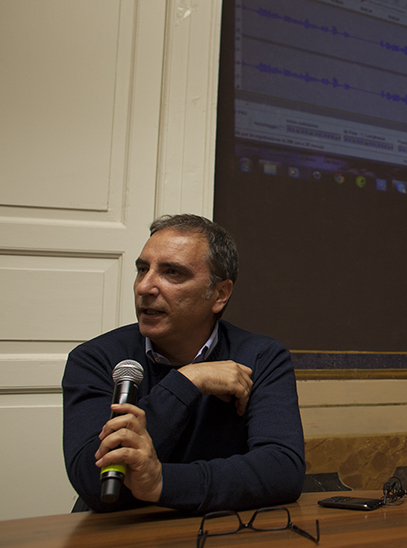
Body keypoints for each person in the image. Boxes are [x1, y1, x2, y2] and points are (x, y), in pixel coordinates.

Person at [62, 214, 305, 513]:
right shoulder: (95, 359)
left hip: (214, 533)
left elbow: (282, 470)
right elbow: (94, 483)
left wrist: (162, 482)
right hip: (116, 534)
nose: (144, 287)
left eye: (172, 273)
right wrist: (188, 381)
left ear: (219, 294)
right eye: (142, 269)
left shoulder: (261, 357)